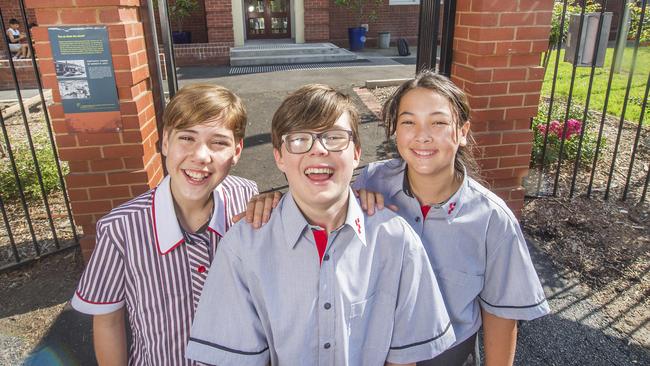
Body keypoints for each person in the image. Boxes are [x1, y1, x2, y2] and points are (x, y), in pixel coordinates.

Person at [241, 71, 550, 365]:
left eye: (439, 122)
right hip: (372, 350)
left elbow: (500, 315)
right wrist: (276, 201)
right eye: (408, 122)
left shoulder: (492, 219)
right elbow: (320, 199)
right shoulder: (373, 182)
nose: (422, 136)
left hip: (447, 356)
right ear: (395, 130)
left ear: (463, 133)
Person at [186, 84, 455, 366]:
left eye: (334, 137)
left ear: (357, 153)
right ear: (279, 157)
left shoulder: (395, 239)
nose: (318, 150)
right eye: (300, 140)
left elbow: (402, 358)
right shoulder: (243, 247)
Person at [70, 84, 258, 365]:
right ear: (166, 142)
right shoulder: (121, 228)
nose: (201, 156)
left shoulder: (247, 197)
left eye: (218, 142)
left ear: (237, 150)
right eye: (187, 138)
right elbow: (108, 322)